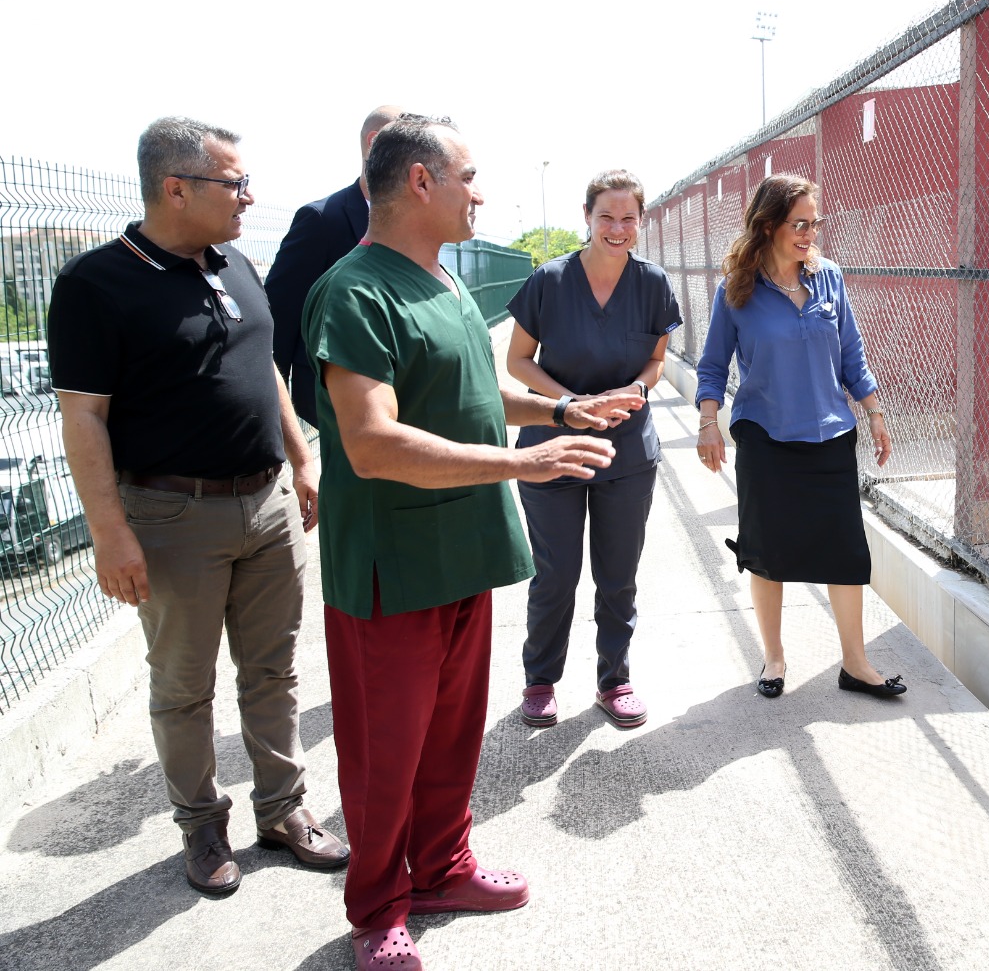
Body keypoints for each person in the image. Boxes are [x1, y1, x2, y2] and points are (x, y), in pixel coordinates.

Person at [302, 113, 639, 971]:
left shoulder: (444, 283)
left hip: (464, 554)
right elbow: (371, 441)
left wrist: (561, 412)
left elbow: (480, 394)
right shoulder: (354, 291)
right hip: (391, 566)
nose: (480, 192)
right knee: (387, 753)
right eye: (469, 175)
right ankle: (378, 908)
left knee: (452, 736)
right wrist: (523, 466)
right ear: (422, 181)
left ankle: (444, 869)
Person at [47, 116, 349, 897]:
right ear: (175, 189)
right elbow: (83, 416)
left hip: (268, 505)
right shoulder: (95, 284)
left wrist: (302, 458)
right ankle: (201, 826)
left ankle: (282, 812)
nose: (250, 195)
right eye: (234, 183)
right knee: (184, 686)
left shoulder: (236, 263)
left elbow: (263, 371)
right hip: (172, 517)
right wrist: (109, 534)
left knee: (274, 670)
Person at [695, 174, 902, 700]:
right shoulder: (737, 289)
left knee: (846, 552)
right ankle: (774, 657)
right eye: (799, 224)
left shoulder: (829, 278)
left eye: (814, 223)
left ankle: (855, 663)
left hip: (831, 434)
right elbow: (714, 365)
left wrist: (875, 412)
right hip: (765, 437)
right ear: (768, 227)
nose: (809, 233)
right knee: (768, 551)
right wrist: (707, 424)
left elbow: (851, 354)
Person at [506, 170, 682, 731]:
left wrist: (636, 390)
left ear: (640, 221)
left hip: (627, 454)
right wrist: (570, 403)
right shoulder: (550, 281)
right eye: (606, 216)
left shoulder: (652, 284)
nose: (617, 227)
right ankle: (540, 680)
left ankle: (615, 680)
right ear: (587, 217)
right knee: (556, 573)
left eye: (628, 217)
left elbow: (656, 361)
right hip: (554, 445)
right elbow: (518, 362)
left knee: (618, 575)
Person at [265, 105, 404, 422]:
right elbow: (280, 316)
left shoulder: (415, 221)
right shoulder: (321, 219)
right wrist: (277, 420)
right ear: (374, 142)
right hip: (329, 395)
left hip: (396, 386)